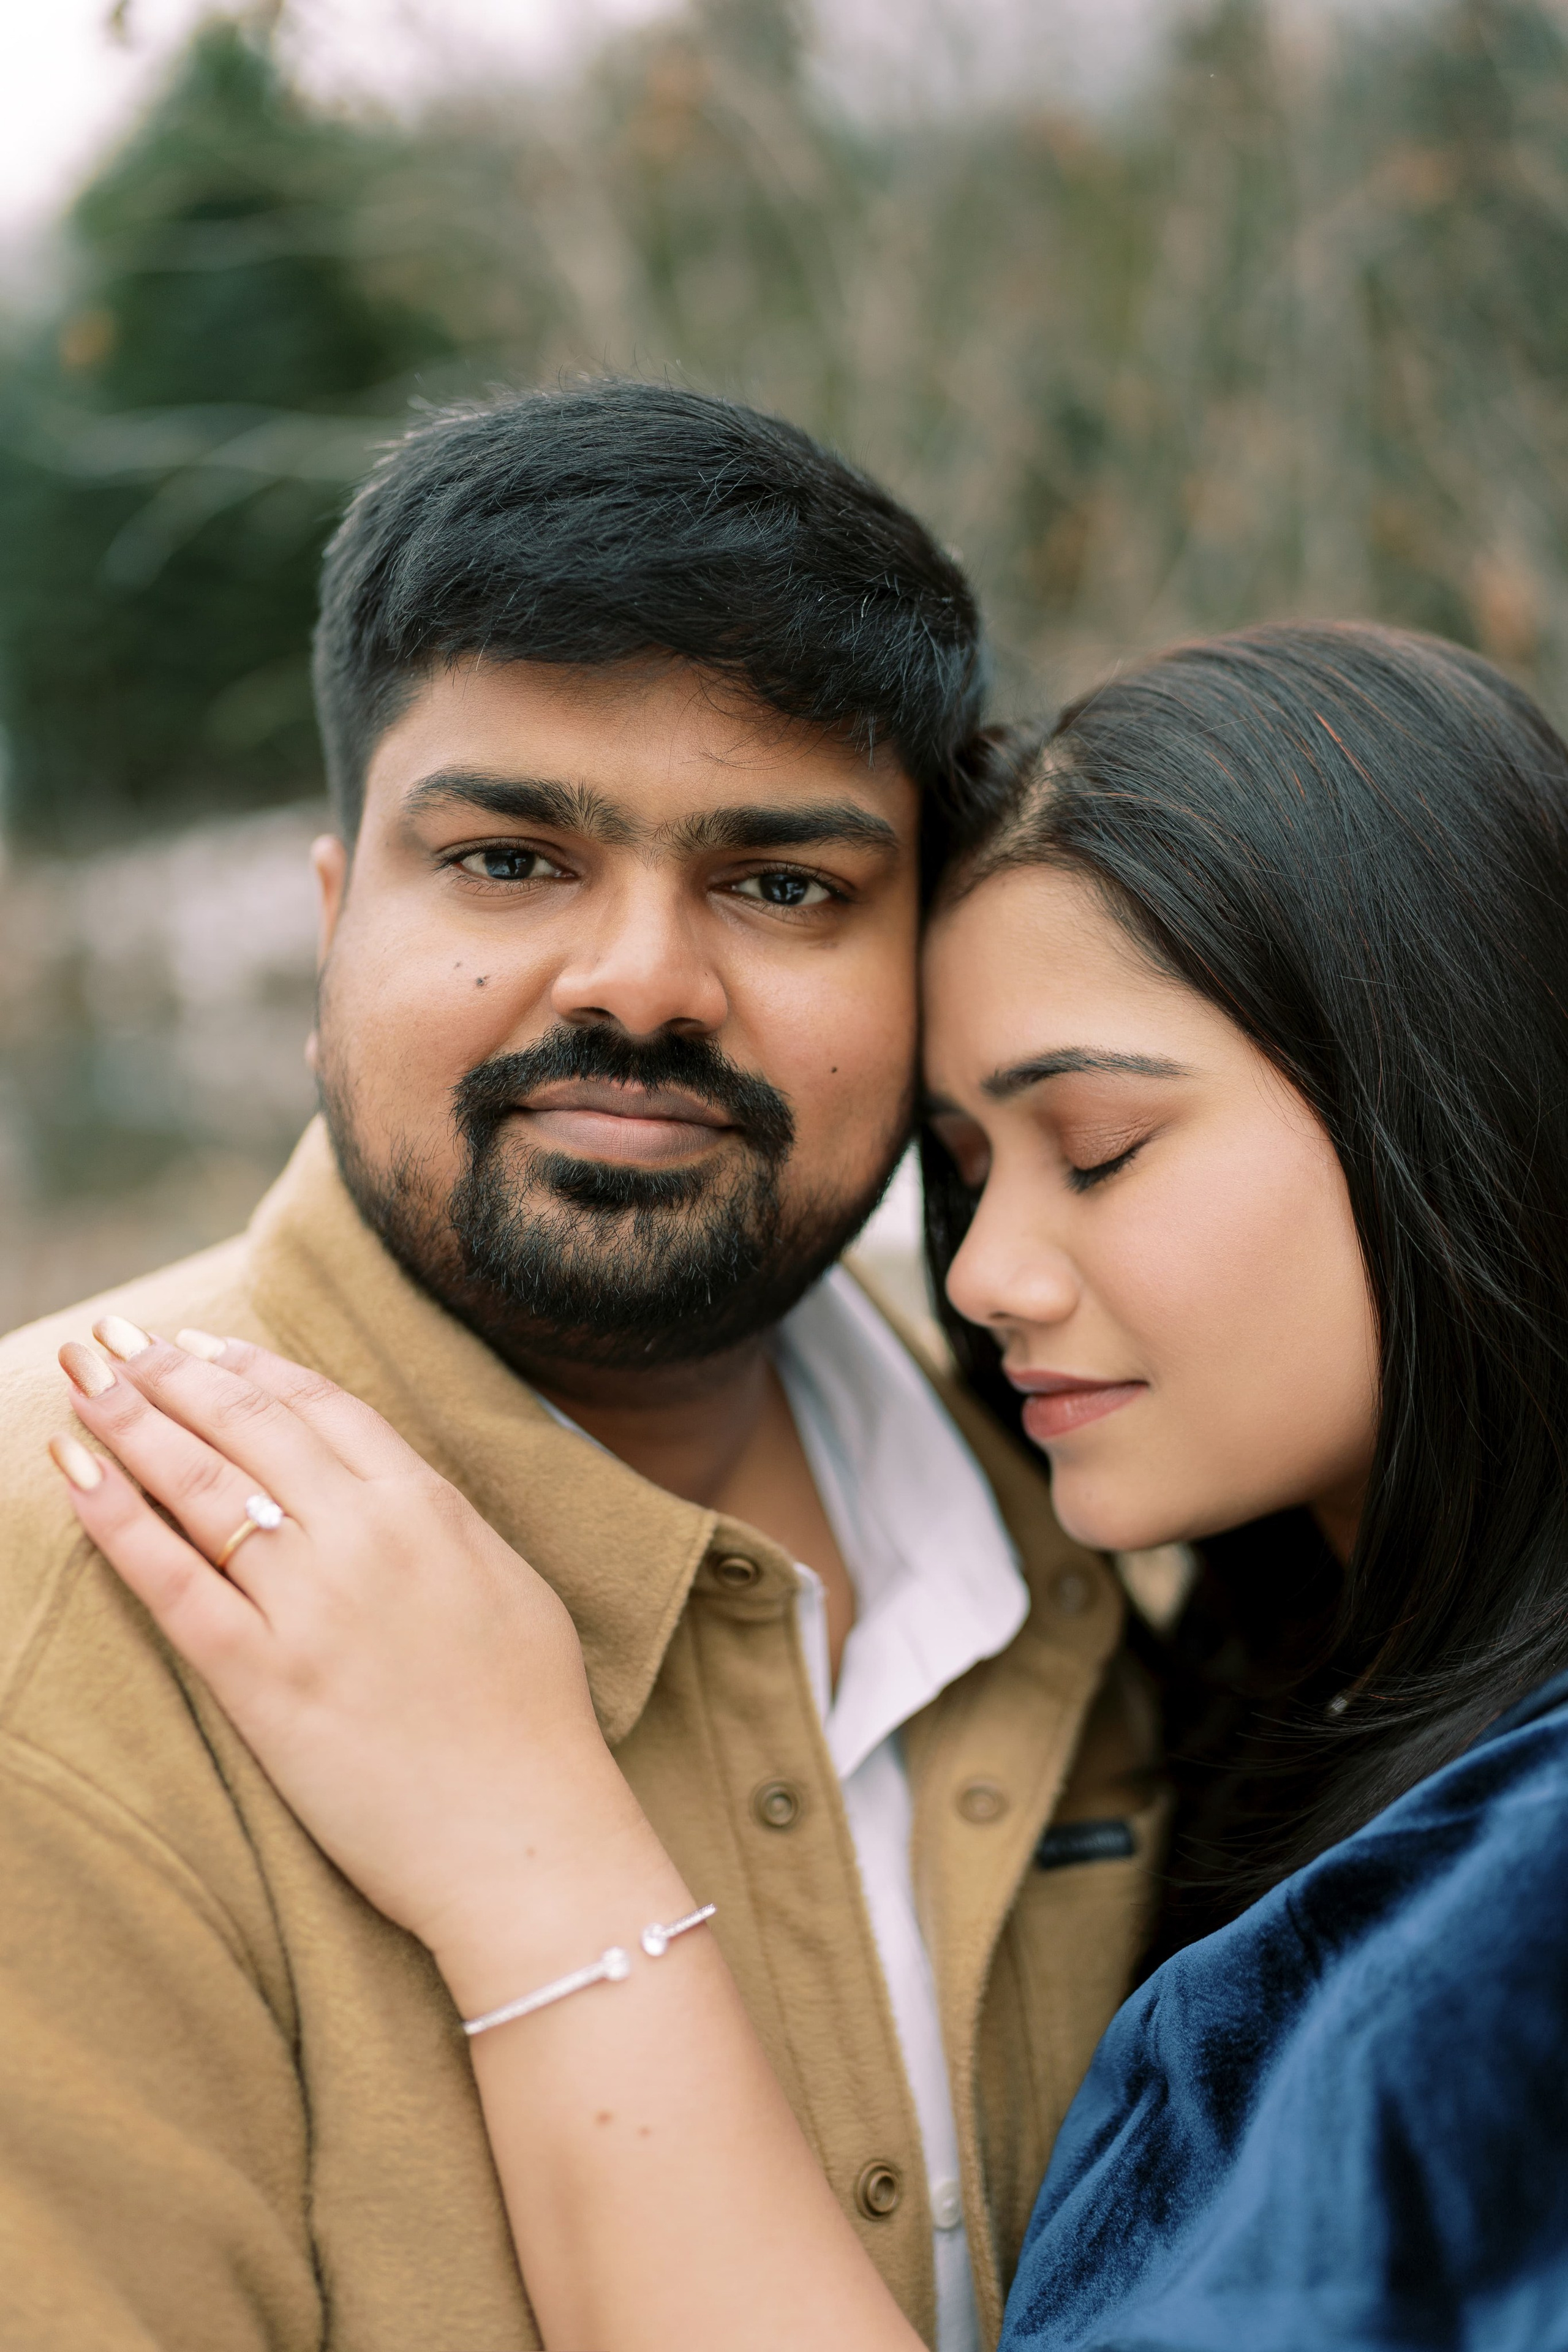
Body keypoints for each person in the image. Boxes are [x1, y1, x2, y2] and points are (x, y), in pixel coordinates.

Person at [47, 619, 1568, 2350]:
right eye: (964, 1172)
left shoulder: (1517, 1883)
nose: (985, 1276)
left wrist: (530, 1857)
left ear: (1464, 1095)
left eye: (1099, 1150)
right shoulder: (1271, 1676)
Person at [0, 382, 1164, 2352]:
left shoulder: (1077, 1473)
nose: (640, 983)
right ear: (332, 930)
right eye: (510, 860)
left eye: (783, 886)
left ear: (928, 970)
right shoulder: (53, 1603)